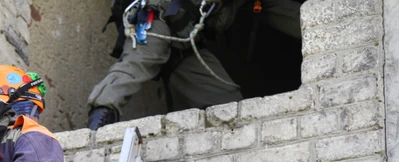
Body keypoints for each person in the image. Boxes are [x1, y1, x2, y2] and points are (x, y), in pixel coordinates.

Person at [87, 0, 302, 130]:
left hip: (185, 47)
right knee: (141, 62)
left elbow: (290, 15)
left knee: (227, 103)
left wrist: (328, 25)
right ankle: (99, 122)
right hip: (156, 16)